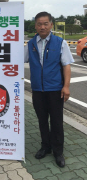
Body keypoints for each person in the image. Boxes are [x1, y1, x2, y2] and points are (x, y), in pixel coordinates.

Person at [24, 11, 74, 168]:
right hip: (38, 90)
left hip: (55, 89)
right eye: (39, 24)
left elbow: (66, 65)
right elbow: (17, 60)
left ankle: (58, 152)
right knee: (42, 120)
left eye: (45, 23)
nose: (42, 26)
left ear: (51, 25)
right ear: (36, 26)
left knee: (57, 121)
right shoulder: (31, 44)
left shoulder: (60, 42)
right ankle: (45, 146)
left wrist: (66, 87)